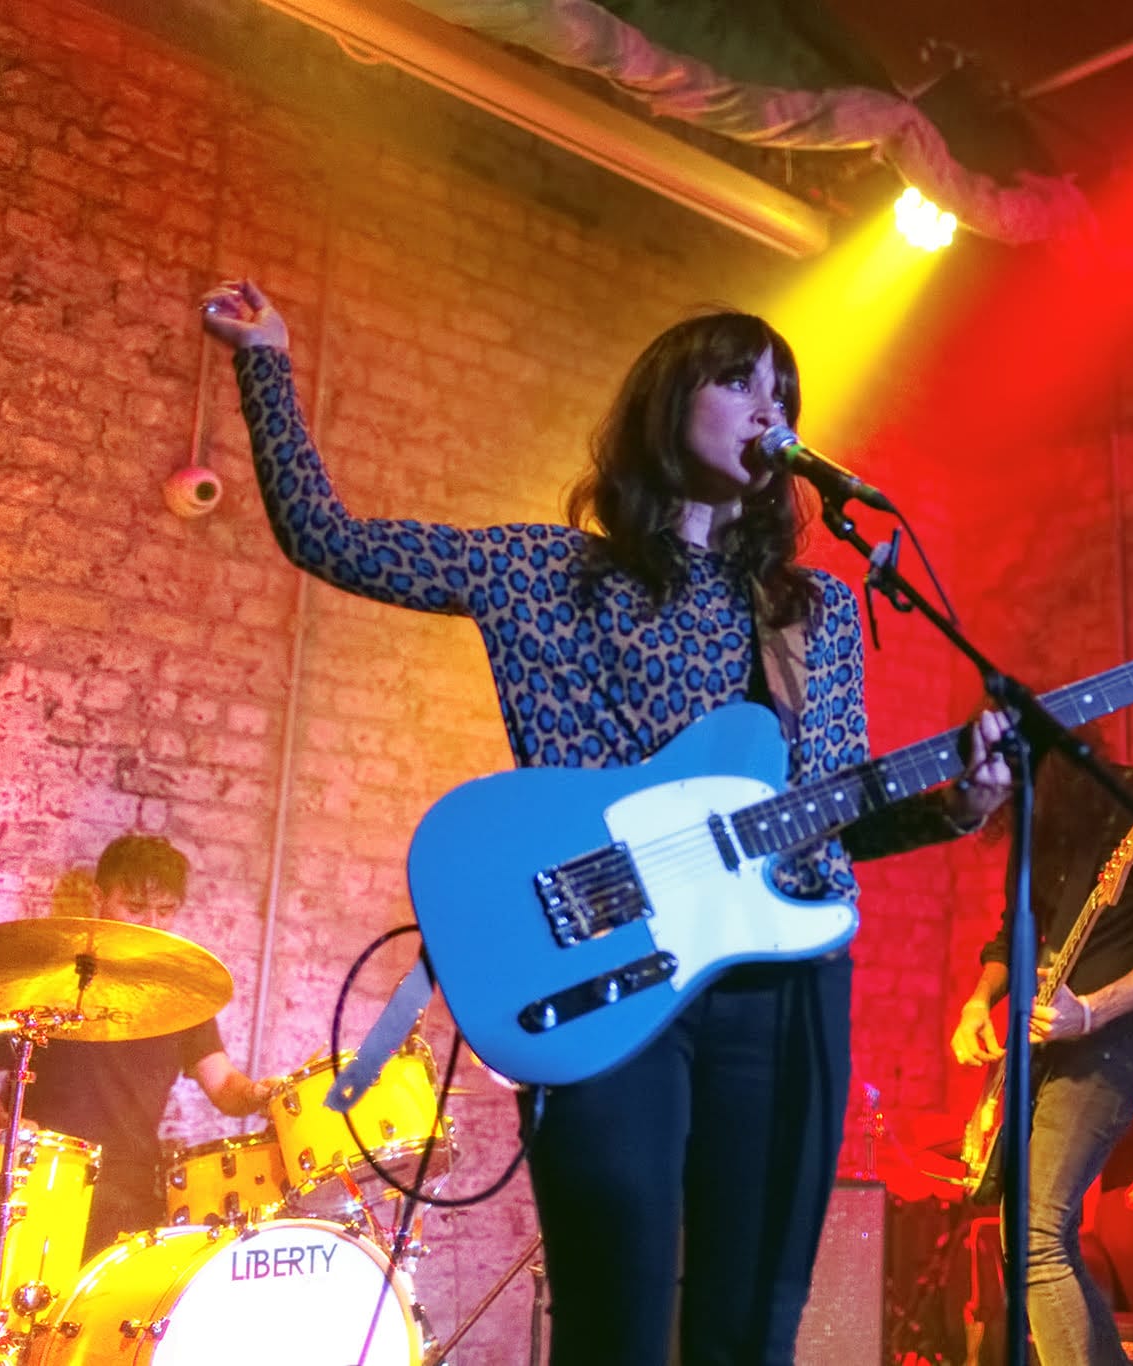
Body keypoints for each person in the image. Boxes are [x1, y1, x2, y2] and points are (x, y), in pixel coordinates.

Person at [199, 278, 1012, 1366]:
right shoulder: (539, 572)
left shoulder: (802, 612)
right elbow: (328, 537)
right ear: (667, 402)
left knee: (747, 1331)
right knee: (614, 1319)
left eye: (785, 389)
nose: (769, 408)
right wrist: (267, 358)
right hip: (606, 967)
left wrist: (962, 799)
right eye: (737, 379)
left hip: (777, 989)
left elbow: (829, 814)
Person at [951, 746, 1133, 1366]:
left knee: (1035, 1234)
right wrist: (977, 1004)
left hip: (1109, 1047)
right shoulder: (1037, 822)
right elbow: (1012, 932)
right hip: (1039, 1048)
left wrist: (1089, 1011)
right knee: (1039, 1236)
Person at [0, 833, 274, 1257]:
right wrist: (10, 1129)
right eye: (135, 909)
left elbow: (224, 1086)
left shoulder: (180, 994)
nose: (151, 924)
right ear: (98, 897)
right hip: (38, 1183)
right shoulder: (40, 980)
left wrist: (256, 1094)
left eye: (165, 911)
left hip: (132, 1195)